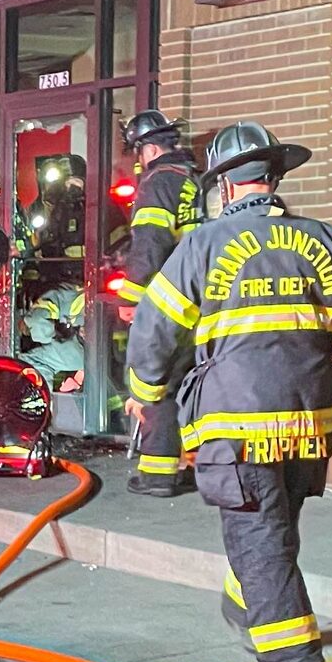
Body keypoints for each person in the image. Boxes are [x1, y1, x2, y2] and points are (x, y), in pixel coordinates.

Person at [125, 120, 332, 662]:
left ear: (224, 186)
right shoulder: (326, 241)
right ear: (274, 178)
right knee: (274, 527)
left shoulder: (202, 246)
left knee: (258, 535)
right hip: (309, 422)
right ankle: (248, 604)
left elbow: (154, 328)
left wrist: (145, 394)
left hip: (236, 425)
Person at [118, 110, 204, 496]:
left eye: (139, 153)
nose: (139, 162)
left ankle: (157, 473)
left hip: (171, 299)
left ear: (150, 149)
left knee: (158, 380)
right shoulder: (195, 180)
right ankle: (195, 463)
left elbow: (151, 245)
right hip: (207, 297)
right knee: (191, 381)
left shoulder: (158, 182)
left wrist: (130, 297)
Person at [17, 280, 86, 393]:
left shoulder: (64, 297)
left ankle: (40, 399)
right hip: (92, 349)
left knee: (34, 362)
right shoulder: (70, 294)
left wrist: (45, 334)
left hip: (86, 352)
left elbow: (37, 320)